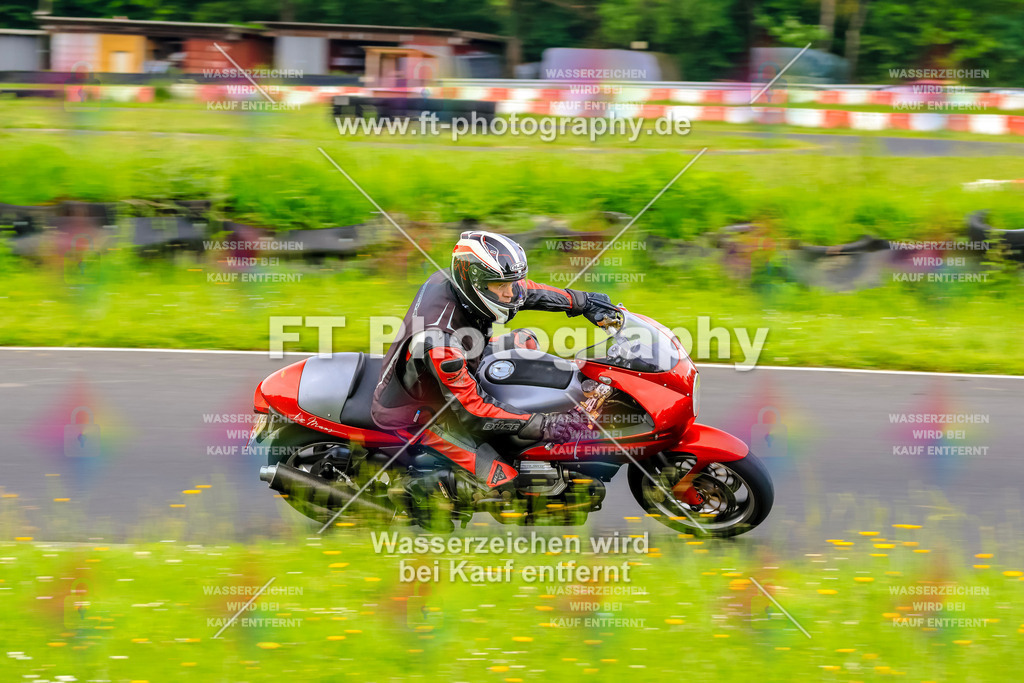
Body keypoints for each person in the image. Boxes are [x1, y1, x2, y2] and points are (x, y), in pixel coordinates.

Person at [371, 230, 621, 526]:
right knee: (504, 482)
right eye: (500, 285)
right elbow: (473, 411)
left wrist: (583, 302)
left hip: (464, 358)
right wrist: (547, 424)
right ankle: (420, 499)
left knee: (526, 341)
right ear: (474, 282)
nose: (510, 293)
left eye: (510, 283)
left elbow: (527, 291)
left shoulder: (455, 283)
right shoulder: (439, 343)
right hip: (420, 415)